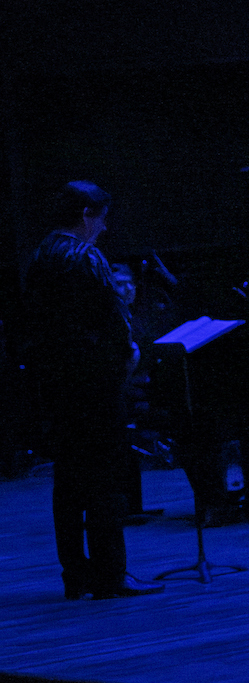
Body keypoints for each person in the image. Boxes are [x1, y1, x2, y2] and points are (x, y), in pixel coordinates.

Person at [19, 181, 164, 599]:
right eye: (100, 217)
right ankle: (111, 573)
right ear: (86, 214)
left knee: (67, 482)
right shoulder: (85, 256)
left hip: (57, 384)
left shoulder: (41, 253)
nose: (103, 227)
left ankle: (75, 574)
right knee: (104, 480)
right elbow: (115, 322)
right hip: (95, 384)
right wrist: (128, 357)